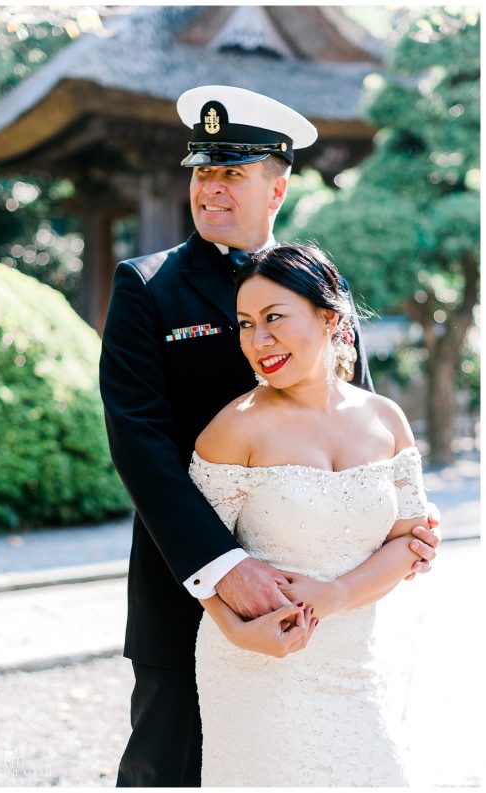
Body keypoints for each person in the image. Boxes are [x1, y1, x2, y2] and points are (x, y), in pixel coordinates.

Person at [99, 85, 440, 787]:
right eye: (203, 171)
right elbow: (139, 442)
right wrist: (222, 568)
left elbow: (358, 413)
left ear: (276, 186)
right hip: (183, 586)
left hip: (326, 598)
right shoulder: (147, 286)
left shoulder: (317, 283)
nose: (211, 188)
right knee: (171, 772)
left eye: (232, 172)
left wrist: (404, 512)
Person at [190, 242, 430, 786]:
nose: (258, 341)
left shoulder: (385, 419)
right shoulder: (235, 428)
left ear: (330, 317)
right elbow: (194, 552)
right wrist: (235, 630)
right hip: (258, 665)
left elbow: (410, 539)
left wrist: (338, 593)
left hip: (358, 663)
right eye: (247, 324)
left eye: (274, 318)